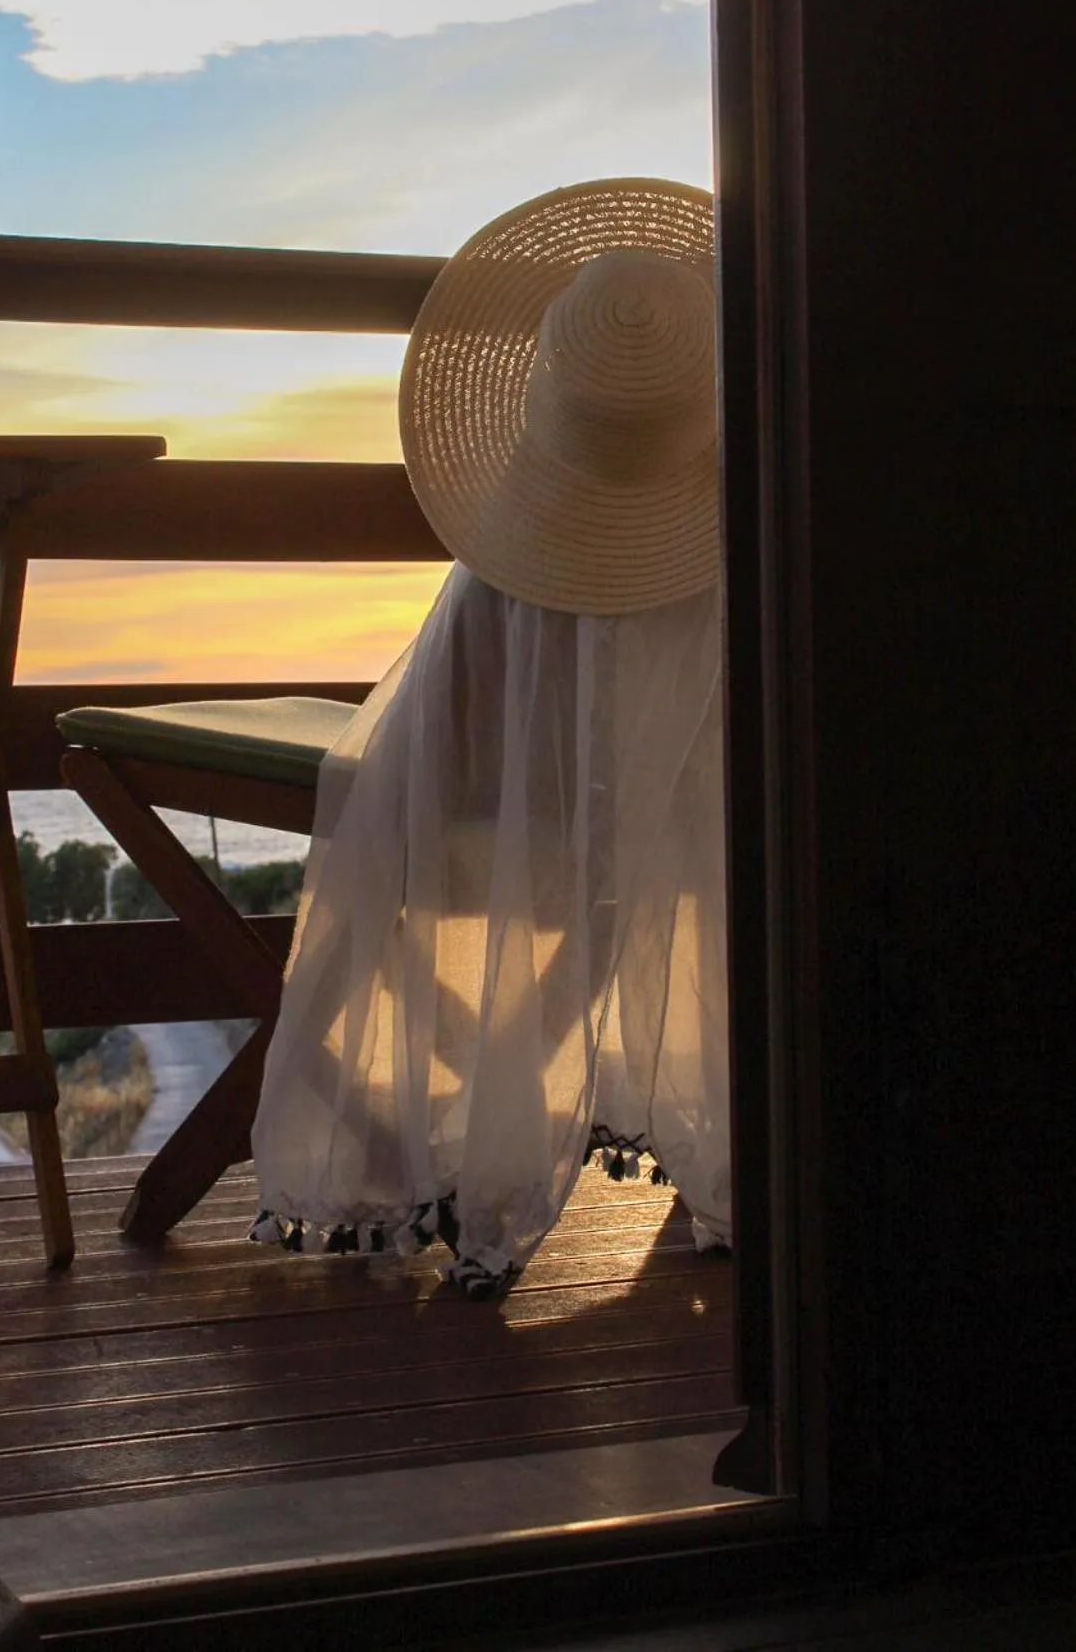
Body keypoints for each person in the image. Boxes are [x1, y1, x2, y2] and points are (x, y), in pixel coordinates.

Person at [249, 178, 730, 1297]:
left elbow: (441, 743)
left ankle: (415, 1133)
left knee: (387, 815)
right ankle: (505, 1106)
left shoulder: (500, 578)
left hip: (492, 808)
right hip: (660, 834)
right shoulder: (738, 568)